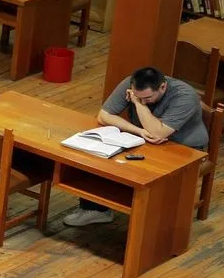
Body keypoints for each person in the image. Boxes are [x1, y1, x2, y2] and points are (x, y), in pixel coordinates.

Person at [63, 67, 208, 227]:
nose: (144, 100)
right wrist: (139, 130)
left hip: (184, 149)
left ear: (162, 87)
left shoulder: (184, 95)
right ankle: (96, 209)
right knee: (98, 155)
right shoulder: (131, 84)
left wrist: (138, 104)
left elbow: (158, 133)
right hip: (145, 141)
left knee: (142, 172)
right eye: (138, 97)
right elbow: (104, 116)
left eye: (148, 98)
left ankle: (155, 222)